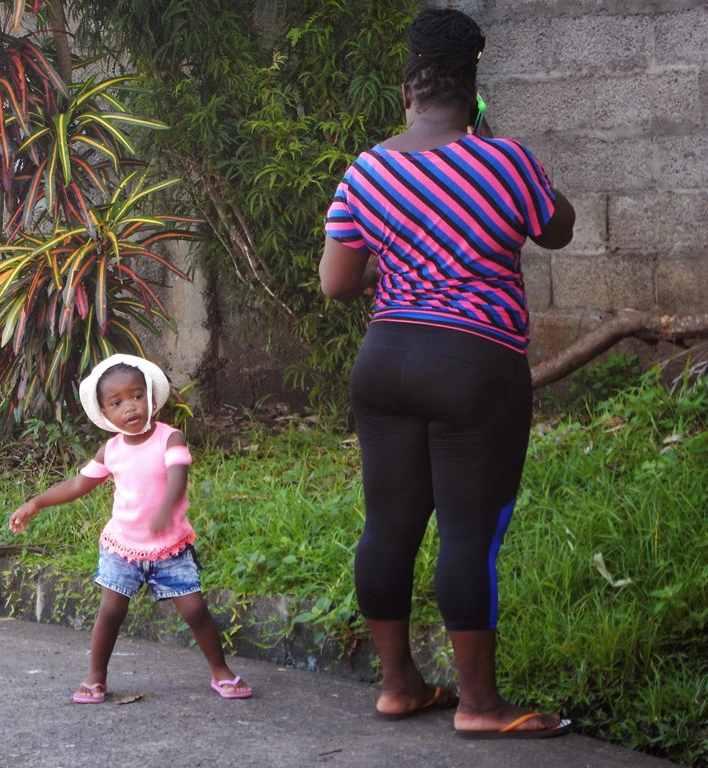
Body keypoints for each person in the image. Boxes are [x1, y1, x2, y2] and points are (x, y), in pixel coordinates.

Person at [319, 9, 576, 739]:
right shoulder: (506, 161)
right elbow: (557, 228)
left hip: (384, 362)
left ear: (407, 93)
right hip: (473, 365)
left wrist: (406, 258)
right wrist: (493, 154)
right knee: (467, 535)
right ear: (474, 93)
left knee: (389, 525)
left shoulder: (367, 169)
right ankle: (479, 706)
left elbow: (336, 283)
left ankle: (398, 687)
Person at [9, 354, 252, 703]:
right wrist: (36, 502)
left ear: (151, 397)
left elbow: (177, 476)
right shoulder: (111, 450)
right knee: (110, 612)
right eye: (117, 402)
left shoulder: (171, 438)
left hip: (171, 548)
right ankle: (96, 676)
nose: (130, 407)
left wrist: (167, 508)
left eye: (137, 396)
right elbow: (79, 484)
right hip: (121, 548)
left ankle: (220, 671)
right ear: (106, 414)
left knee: (196, 611)